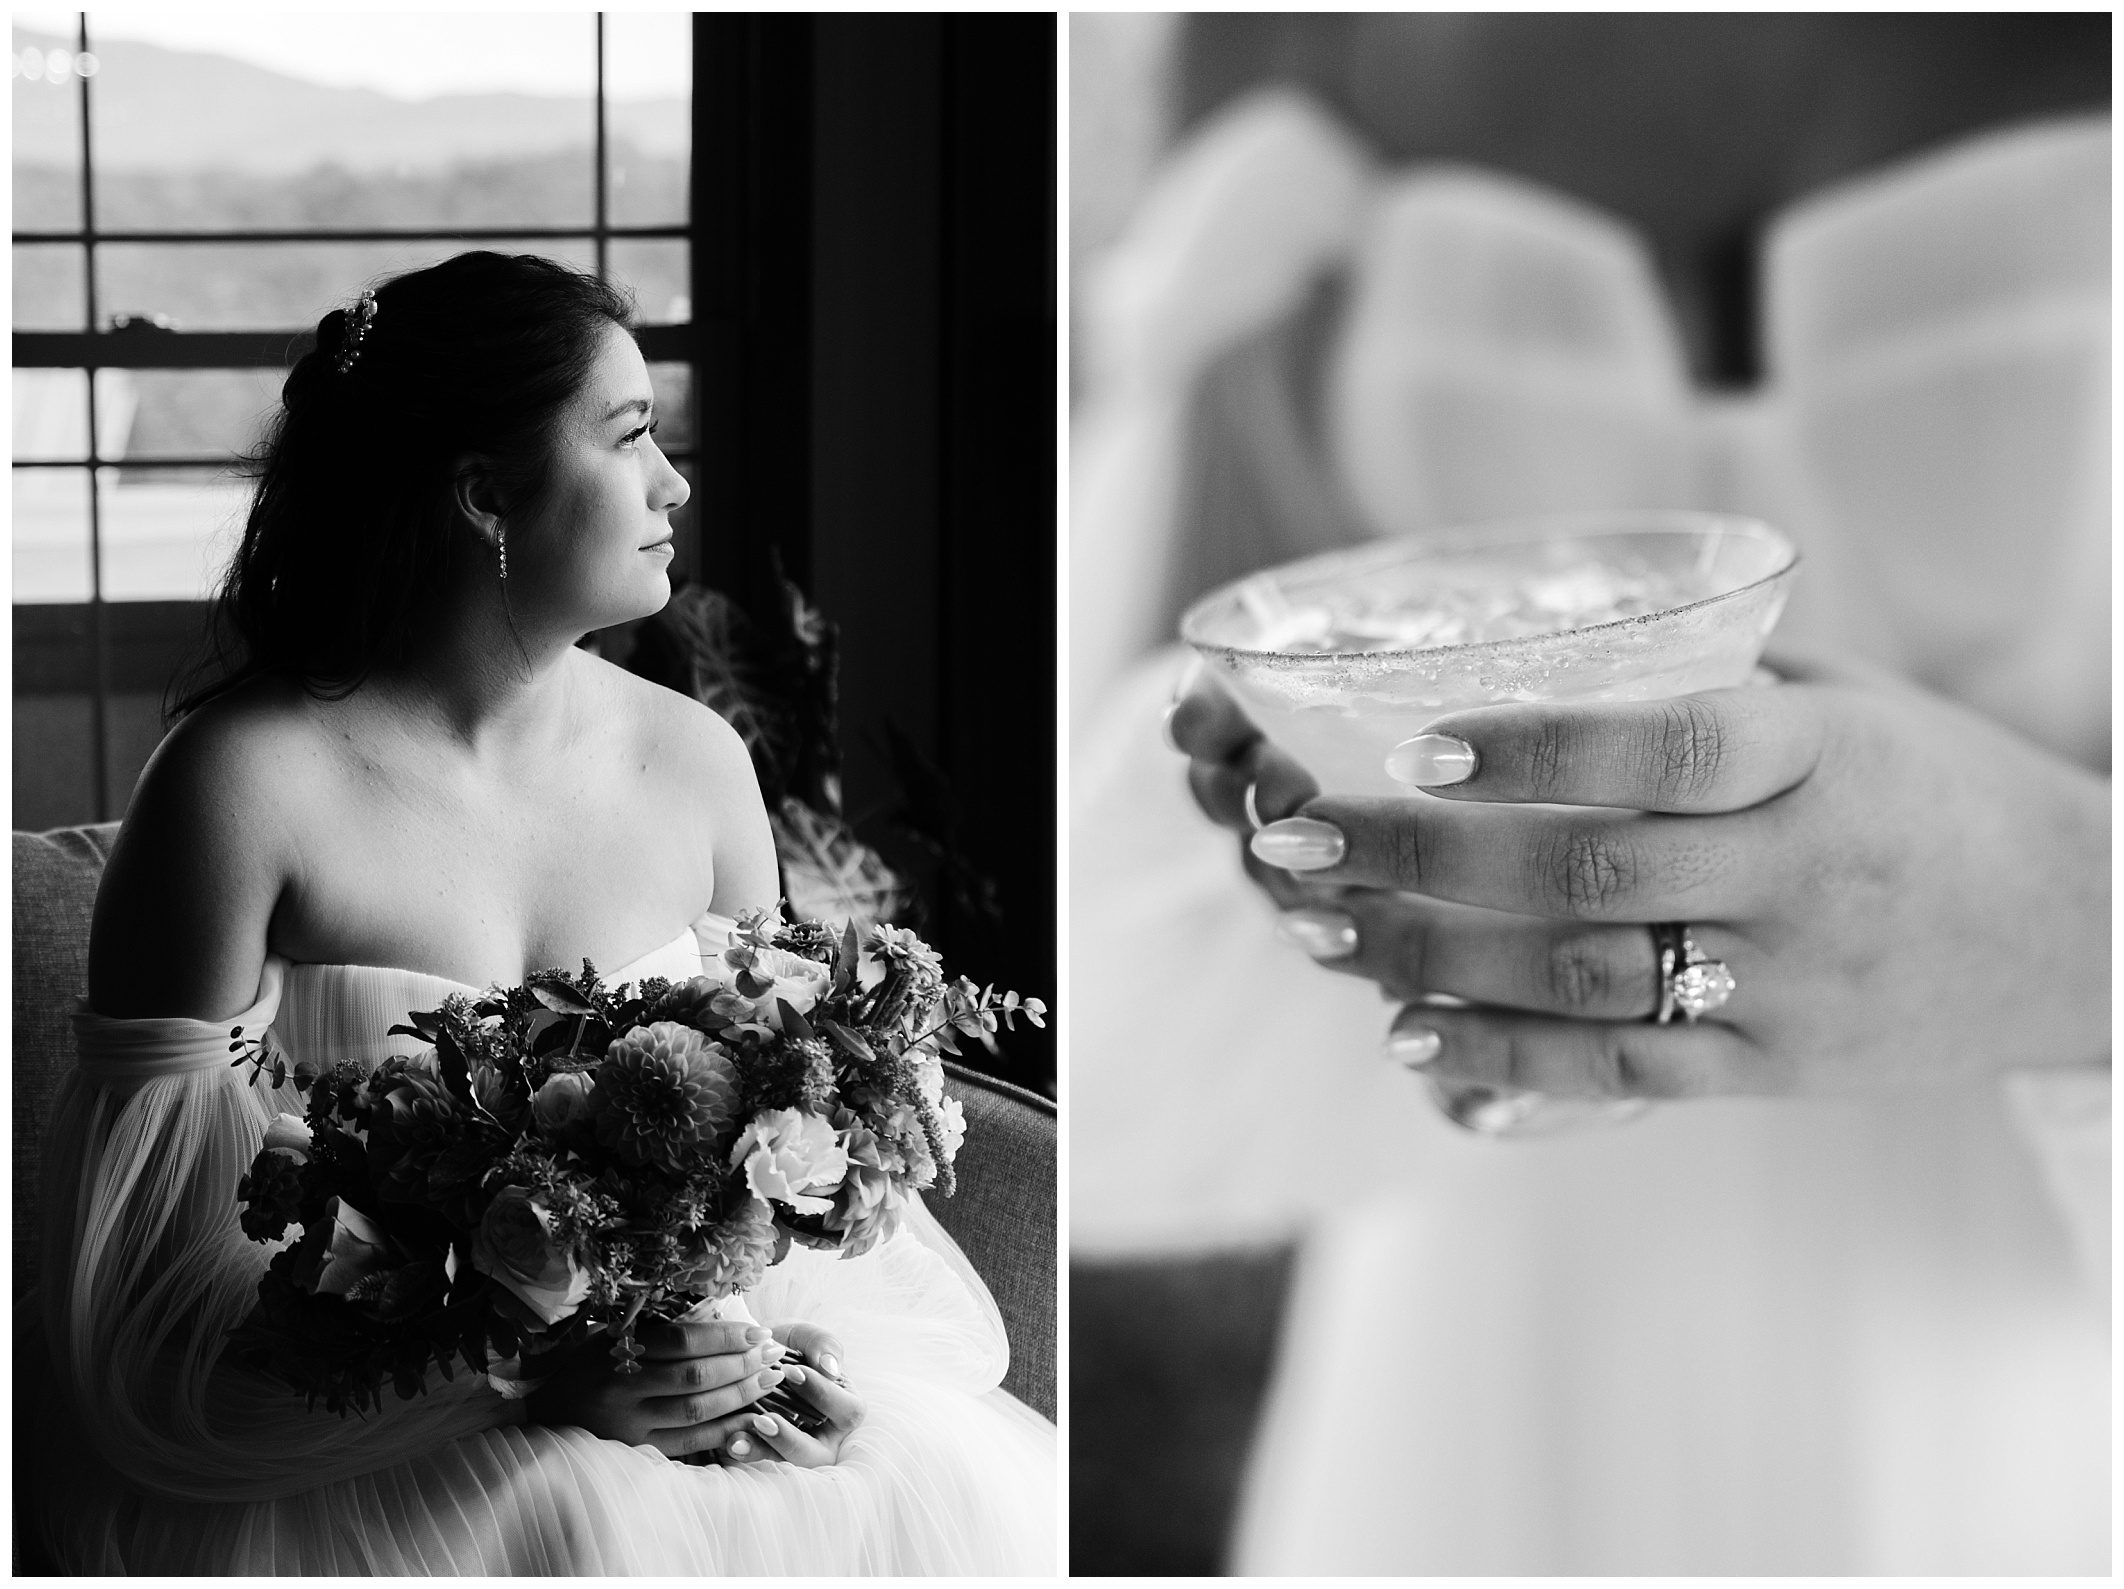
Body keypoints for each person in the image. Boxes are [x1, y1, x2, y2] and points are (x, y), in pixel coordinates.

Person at [1071, 43, 2107, 1577]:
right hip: (1483, 1319)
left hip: (2030, 1357)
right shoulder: (1287, 27)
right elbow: (1103, 952)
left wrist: (2066, 918)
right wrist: (1321, 851)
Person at [25, 251, 1055, 1575]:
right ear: (481, 493)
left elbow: (790, 1169)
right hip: (364, 1453)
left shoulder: (700, 766)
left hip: (687, 1434)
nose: (675, 483)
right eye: (630, 437)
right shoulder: (241, 785)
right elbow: (144, 1287)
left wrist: (778, 1362)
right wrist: (518, 1376)